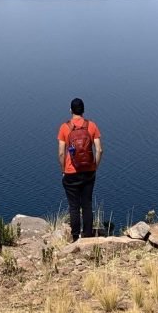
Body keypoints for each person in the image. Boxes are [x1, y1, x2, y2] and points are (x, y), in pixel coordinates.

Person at [58, 97, 102, 241]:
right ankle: (88, 235)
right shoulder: (92, 126)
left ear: (71, 110)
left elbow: (61, 152)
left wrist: (63, 170)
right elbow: (99, 150)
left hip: (71, 172)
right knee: (87, 204)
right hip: (89, 172)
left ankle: (75, 237)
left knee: (74, 206)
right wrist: (94, 166)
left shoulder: (65, 127)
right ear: (83, 110)